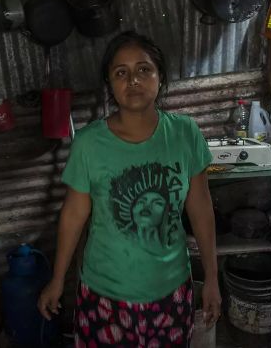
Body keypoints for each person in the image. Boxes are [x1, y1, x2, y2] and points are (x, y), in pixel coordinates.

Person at [38, 31, 220, 347]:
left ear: (160, 77)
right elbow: (73, 215)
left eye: (143, 69)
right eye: (121, 73)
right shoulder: (89, 143)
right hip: (104, 295)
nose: (133, 80)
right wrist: (57, 280)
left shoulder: (184, 133)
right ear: (110, 84)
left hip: (170, 292)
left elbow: (201, 209)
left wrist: (213, 278)